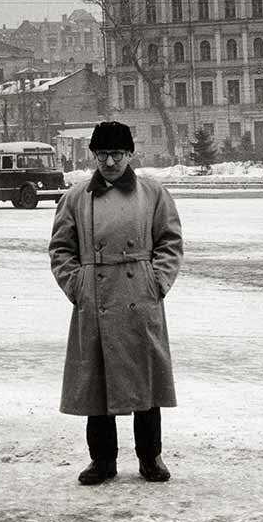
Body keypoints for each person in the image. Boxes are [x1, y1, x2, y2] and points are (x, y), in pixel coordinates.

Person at [49, 121, 182, 487]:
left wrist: (157, 281)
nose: (109, 162)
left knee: (146, 383)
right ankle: (102, 461)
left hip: (139, 296)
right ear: (94, 156)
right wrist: (77, 285)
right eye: (103, 154)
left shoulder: (153, 193)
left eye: (117, 154)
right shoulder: (75, 198)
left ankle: (150, 457)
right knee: (97, 384)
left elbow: (170, 243)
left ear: (129, 155)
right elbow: (61, 250)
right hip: (96, 298)